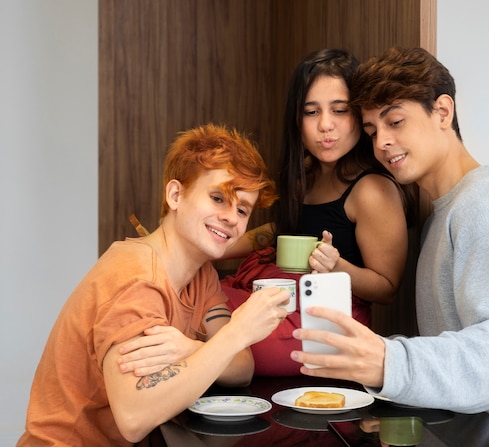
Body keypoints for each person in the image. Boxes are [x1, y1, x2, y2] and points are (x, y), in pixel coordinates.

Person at [289, 47, 489, 447]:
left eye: (396, 122)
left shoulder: (486, 202)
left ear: (442, 112)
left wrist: (390, 360)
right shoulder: (445, 212)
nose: (383, 142)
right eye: (371, 131)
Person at [18, 124, 289, 446]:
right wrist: (237, 331)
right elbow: (134, 418)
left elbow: (242, 367)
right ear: (175, 195)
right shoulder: (135, 279)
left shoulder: (199, 273)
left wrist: (190, 348)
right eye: (218, 198)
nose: (232, 218)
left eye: (242, 209)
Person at [217, 48, 413, 376]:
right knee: (187, 288)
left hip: (325, 322)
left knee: (196, 309)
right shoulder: (306, 174)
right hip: (283, 302)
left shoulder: (373, 190)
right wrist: (212, 249)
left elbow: (388, 288)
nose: (325, 126)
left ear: (359, 115)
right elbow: (277, 233)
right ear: (296, 119)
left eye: (339, 110)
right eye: (311, 112)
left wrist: (338, 266)